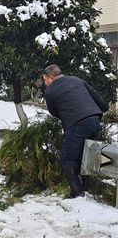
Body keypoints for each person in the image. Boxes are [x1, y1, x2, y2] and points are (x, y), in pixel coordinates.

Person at [42, 64, 108, 198]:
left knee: (67, 160)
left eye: (45, 80)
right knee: (86, 157)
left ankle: (77, 194)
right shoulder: (77, 80)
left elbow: (54, 112)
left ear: (52, 77)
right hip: (95, 121)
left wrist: (68, 115)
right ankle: (86, 189)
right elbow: (100, 102)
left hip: (77, 124)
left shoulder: (49, 91)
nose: (45, 83)